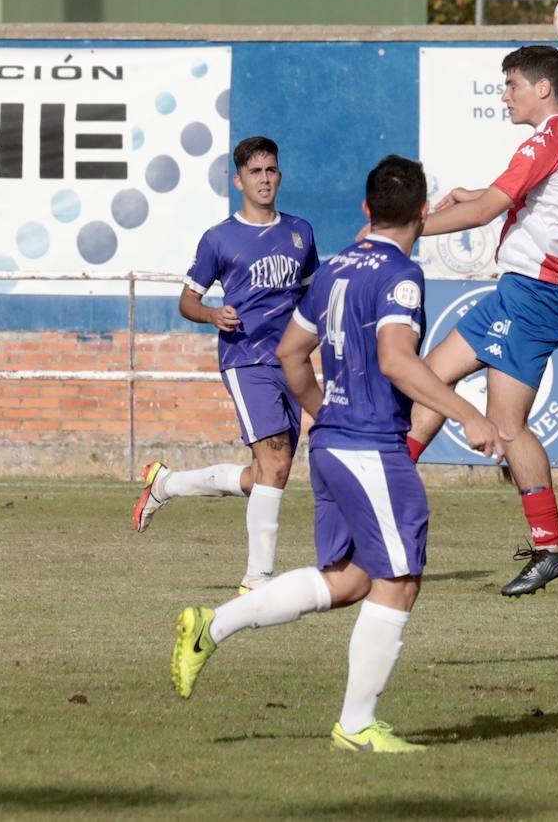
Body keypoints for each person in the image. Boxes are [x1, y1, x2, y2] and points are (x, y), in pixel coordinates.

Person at [170, 155, 506, 754]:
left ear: (365, 210)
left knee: (350, 580)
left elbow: (291, 353)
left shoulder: (333, 269)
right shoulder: (401, 276)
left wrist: (321, 410)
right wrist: (471, 415)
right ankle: (355, 726)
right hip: (372, 447)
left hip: (330, 445)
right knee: (400, 580)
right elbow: (396, 360)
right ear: (423, 213)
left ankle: (210, 626)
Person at [404, 45, 558, 597]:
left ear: (542, 88)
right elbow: (542, 200)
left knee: (506, 429)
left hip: (537, 295)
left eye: (512, 85)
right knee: (429, 378)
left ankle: (550, 546)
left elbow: (485, 213)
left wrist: (400, 230)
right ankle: (387, 491)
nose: (505, 96)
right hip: (522, 291)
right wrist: (476, 193)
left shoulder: (548, 137)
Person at [132, 136, 318, 595]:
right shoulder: (220, 238)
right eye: (255, 172)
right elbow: (187, 301)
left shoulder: (300, 232)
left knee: (265, 475)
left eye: (271, 170)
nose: (265, 179)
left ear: (280, 175)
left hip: (290, 359)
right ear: (239, 180)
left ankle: (168, 485)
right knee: (274, 458)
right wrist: (214, 313)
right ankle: (257, 580)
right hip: (244, 357)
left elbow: (313, 296)